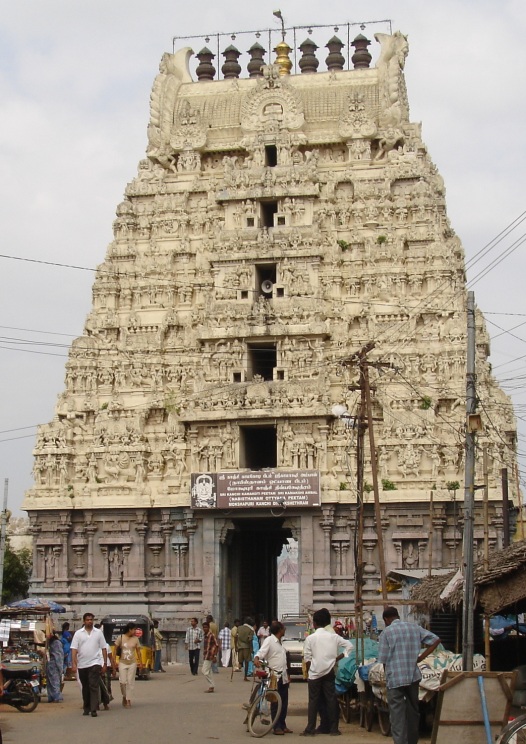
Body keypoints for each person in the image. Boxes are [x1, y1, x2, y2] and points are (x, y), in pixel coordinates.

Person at [377, 606, 440, 744]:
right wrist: (421, 657)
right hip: (413, 676)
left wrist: (387, 677)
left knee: (397, 714)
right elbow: (435, 640)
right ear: (397, 616)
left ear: (386, 620)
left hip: (395, 678)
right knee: (413, 711)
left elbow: (383, 660)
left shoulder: (386, 633)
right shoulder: (414, 628)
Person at [300, 608, 353, 737]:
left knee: (313, 701)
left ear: (315, 623)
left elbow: (307, 657)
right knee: (331, 700)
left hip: (315, 673)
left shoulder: (311, 638)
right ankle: (334, 729)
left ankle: (310, 729)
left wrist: (310, 670)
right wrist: (339, 658)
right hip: (329, 672)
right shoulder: (334, 636)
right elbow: (349, 646)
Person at [254, 620, 292, 735]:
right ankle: (276, 727)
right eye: (283, 628)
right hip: (274, 676)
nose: (285, 630)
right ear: (280, 630)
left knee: (284, 702)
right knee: (275, 702)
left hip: (283, 676)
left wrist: (288, 675)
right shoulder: (269, 640)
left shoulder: (281, 642)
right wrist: (256, 658)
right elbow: (261, 652)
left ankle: (283, 724)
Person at [71, 612, 108, 717]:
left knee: (93, 685)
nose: (89, 621)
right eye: (87, 620)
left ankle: (94, 708)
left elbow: (104, 648)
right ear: (84, 621)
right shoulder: (78, 633)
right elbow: (74, 649)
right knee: (85, 687)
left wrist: (104, 663)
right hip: (82, 664)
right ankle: (86, 707)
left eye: (91, 619)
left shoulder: (98, 633)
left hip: (95, 663)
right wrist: (73, 663)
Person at [115, 622, 144, 708]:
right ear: (129, 629)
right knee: (123, 682)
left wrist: (141, 662)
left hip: (132, 662)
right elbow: (115, 649)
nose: (135, 631)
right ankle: (124, 696)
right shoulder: (121, 637)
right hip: (122, 662)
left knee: (130, 682)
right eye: (134, 629)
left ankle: (128, 699)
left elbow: (138, 651)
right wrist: (114, 661)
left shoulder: (136, 639)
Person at [46, 631, 64, 702]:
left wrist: (60, 667)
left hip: (54, 664)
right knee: (53, 681)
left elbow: (58, 656)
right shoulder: (54, 643)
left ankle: (55, 696)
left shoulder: (56, 643)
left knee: (53, 681)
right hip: (53, 664)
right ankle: (54, 696)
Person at [201, 621, 219, 693]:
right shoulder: (205, 635)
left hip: (210, 655)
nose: (205, 629)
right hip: (206, 654)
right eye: (204, 627)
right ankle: (211, 686)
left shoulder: (211, 635)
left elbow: (216, 645)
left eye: (206, 627)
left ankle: (211, 685)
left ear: (209, 627)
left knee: (204, 671)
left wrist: (215, 655)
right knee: (209, 671)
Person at [237, 617, 255, 681]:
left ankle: (240, 664)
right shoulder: (250, 630)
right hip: (247, 647)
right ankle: (245, 676)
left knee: (241, 659)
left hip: (240, 646)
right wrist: (251, 649)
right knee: (247, 661)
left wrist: (236, 646)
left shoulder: (239, 628)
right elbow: (250, 640)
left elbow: (237, 637)